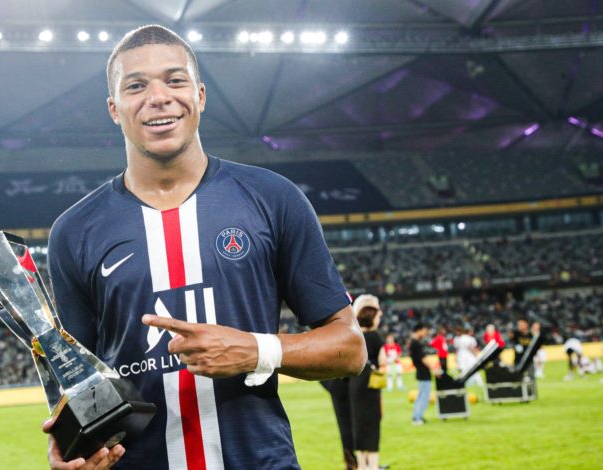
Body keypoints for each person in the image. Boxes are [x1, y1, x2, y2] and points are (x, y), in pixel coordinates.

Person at [44, 25, 367, 470]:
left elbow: (350, 348)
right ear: (114, 109)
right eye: (136, 86)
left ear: (199, 95)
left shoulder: (273, 198)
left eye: (174, 80)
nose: (158, 97)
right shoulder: (74, 231)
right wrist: (71, 446)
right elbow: (78, 381)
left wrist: (256, 351)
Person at [348, 295, 386, 470]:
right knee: (372, 425)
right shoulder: (375, 337)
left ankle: (362, 465)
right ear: (371, 317)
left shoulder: (355, 336)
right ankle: (374, 465)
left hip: (355, 384)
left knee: (358, 424)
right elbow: (382, 362)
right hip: (371, 386)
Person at [408, 323, 439, 425]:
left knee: (421, 395)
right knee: (424, 396)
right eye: (424, 331)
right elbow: (423, 359)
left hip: (420, 371)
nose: (425, 333)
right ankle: (417, 418)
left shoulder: (413, 342)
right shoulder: (416, 343)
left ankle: (417, 416)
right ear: (419, 330)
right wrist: (434, 369)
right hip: (423, 372)